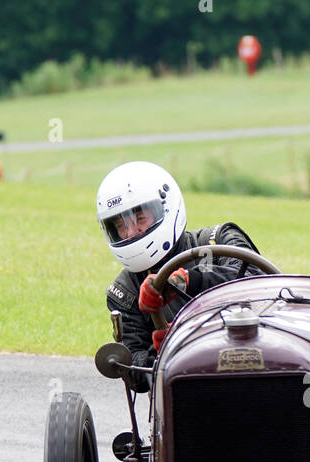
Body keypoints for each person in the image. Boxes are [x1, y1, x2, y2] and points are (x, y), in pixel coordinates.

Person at [97, 161, 265, 382]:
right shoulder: (125, 292)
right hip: (185, 389)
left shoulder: (219, 238)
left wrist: (187, 281)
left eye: (140, 219)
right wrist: (160, 351)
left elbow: (255, 279)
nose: (130, 231)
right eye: (120, 225)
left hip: (254, 365)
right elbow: (134, 374)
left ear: (166, 208)